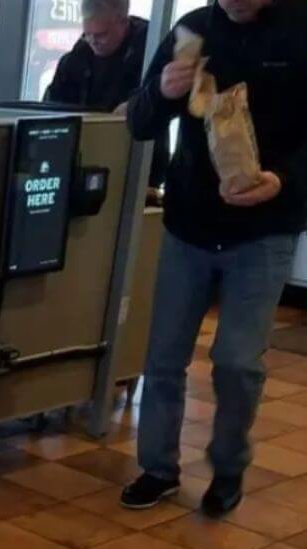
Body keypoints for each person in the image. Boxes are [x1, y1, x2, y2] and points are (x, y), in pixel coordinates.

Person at [122, 0, 307, 517]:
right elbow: (138, 120)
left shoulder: (299, 31)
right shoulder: (193, 30)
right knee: (162, 357)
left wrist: (283, 180)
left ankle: (228, 467)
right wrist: (162, 91)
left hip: (265, 227)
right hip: (189, 223)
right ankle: (157, 467)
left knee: (236, 362)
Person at [45, 0, 168, 188]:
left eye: (101, 34)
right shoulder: (76, 57)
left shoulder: (151, 52)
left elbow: (162, 103)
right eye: (88, 34)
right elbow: (50, 107)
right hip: (83, 158)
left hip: (138, 166)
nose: (94, 41)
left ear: (123, 22)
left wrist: (135, 106)